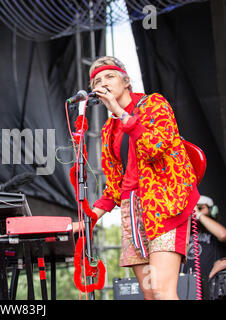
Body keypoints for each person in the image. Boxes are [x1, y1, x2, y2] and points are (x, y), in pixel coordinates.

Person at [75, 56, 200, 300]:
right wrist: (90, 219)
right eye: (97, 81)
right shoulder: (109, 130)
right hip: (131, 211)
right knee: (149, 293)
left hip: (165, 205)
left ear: (126, 81)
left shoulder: (154, 104)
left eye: (109, 76)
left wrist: (121, 113)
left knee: (164, 290)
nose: (103, 83)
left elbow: (155, 148)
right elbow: (114, 186)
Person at [182, 195, 226, 298]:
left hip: (211, 286)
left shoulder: (216, 232)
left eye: (200, 207)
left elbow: (223, 235)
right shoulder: (187, 232)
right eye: (193, 208)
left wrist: (199, 215)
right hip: (186, 285)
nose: (195, 211)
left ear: (212, 210)